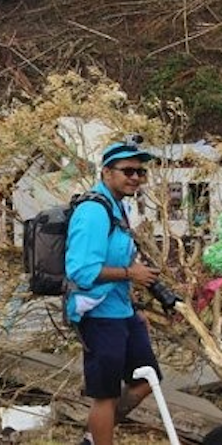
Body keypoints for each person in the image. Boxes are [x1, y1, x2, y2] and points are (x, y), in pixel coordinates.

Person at [65, 139, 162, 445]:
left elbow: (118, 260)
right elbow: (80, 270)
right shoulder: (93, 211)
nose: (135, 177)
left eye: (140, 172)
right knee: (104, 395)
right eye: (128, 171)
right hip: (98, 315)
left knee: (147, 379)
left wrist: (136, 307)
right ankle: (100, 434)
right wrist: (131, 274)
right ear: (107, 172)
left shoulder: (118, 206)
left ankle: (93, 436)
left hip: (122, 310)